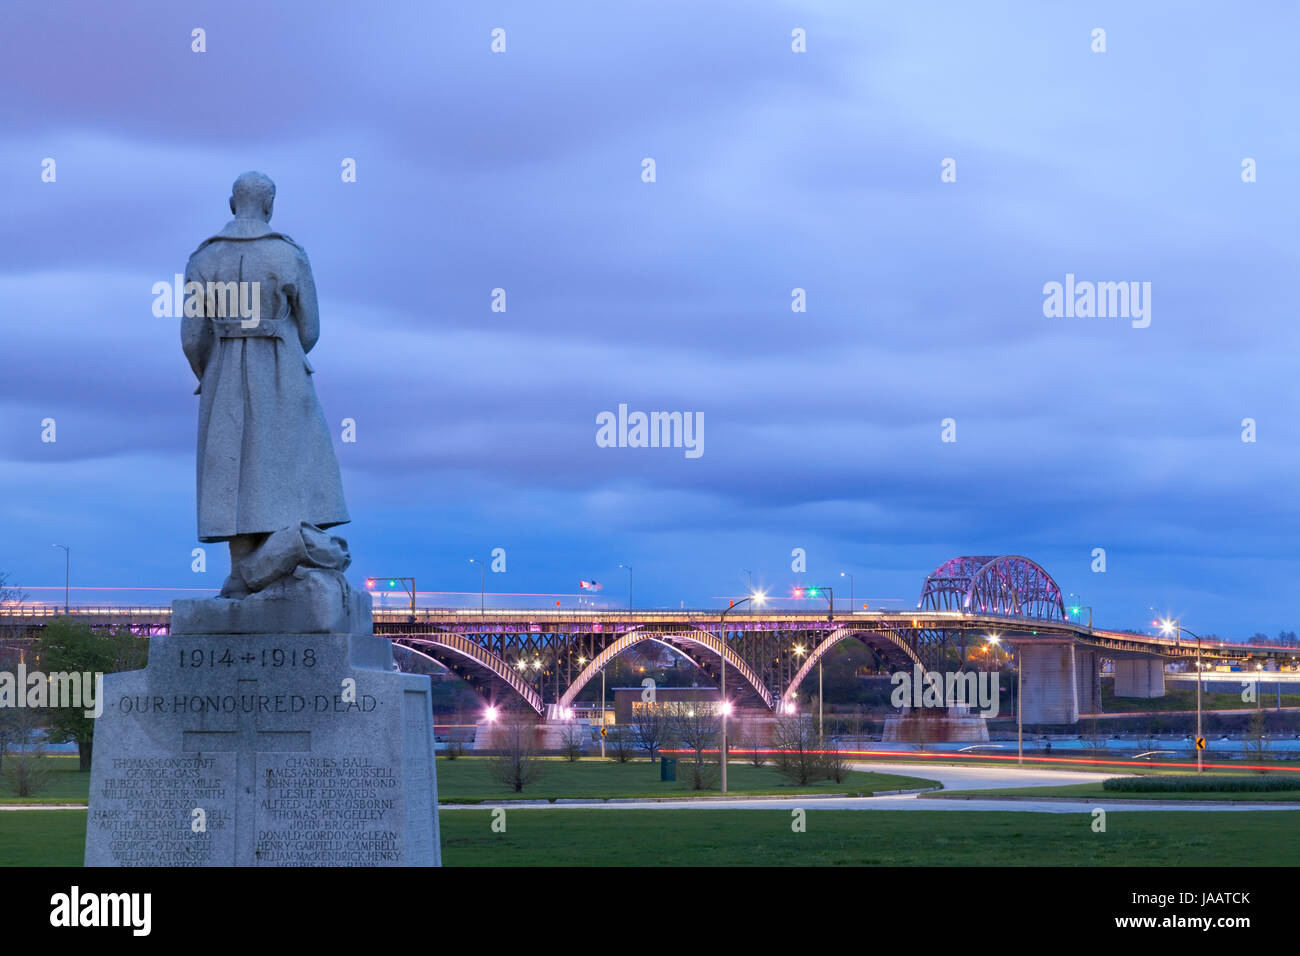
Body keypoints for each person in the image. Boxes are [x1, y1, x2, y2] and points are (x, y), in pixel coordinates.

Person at [181, 172, 349, 596]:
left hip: (223, 367)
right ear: (270, 204)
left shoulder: (203, 258)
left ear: (231, 203)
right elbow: (309, 328)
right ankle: (282, 563)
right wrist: (283, 350)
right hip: (280, 364)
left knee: (234, 474)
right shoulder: (287, 254)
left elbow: (191, 337)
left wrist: (215, 370)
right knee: (285, 466)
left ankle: (244, 571)